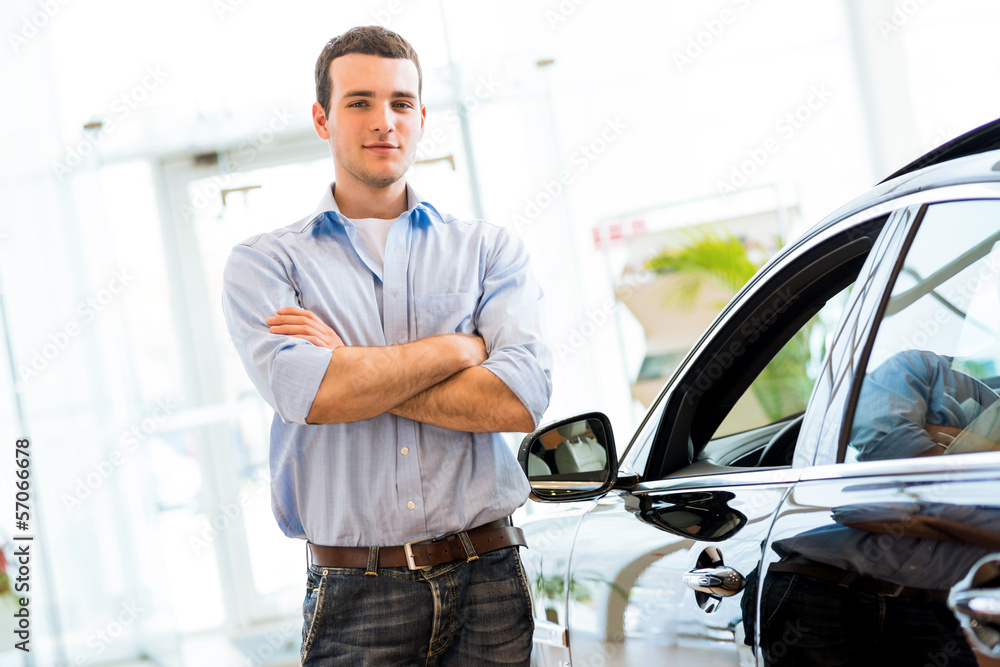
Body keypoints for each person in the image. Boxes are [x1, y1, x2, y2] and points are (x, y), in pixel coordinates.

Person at [221, 26, 552, 665]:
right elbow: (312, 395)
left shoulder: (488, 250)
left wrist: (350, 368)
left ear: (422, 117)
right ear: (322, 118)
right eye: (359, 102)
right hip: (356, 593)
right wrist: (458, 350)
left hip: (490, 576)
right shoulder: (266, 265)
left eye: (401, 103)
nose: (384, 122)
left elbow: (517, 401)